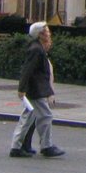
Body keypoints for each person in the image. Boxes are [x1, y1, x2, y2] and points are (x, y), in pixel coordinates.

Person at [9, 22, 64, 158]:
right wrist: (22, 89)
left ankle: (16, 147)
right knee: (46, 116)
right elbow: (27, 70)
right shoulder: (36, 49)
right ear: (40, 34)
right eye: (46, 31)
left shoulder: (37, 48)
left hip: (33, 89)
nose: (49, 33)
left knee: (27, 118)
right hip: (35, 89)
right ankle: (47, 146)